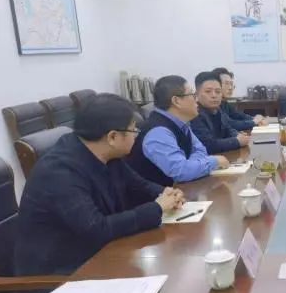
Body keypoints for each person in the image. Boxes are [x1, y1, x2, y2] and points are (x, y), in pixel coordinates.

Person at [14, 94, 184, 275]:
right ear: (112, 137)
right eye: (133, 130)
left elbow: (138, 185)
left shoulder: (105, 153)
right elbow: (96, 229)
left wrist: (167, 193)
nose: (136, 136)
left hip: (100, 254)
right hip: (62, 273)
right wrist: (157, 208)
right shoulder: (59, 172)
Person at [126, 75, 229, 186]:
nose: (197, 100)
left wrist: (191, 165)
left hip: (181, 190)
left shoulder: (182, 123)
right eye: (192, 95)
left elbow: (200, 150)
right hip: (158, 194)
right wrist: (214, 161)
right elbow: (181, 172)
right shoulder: (158, 132)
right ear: (176, 101)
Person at [191, 71, 250, 154]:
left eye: (218, 91)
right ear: (196, 94)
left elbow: (228, 129)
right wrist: (237, 141)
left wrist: (237, 135)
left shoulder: (217, 110)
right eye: (208, 91)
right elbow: (208, 145)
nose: (214, 95)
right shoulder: (194, 114)